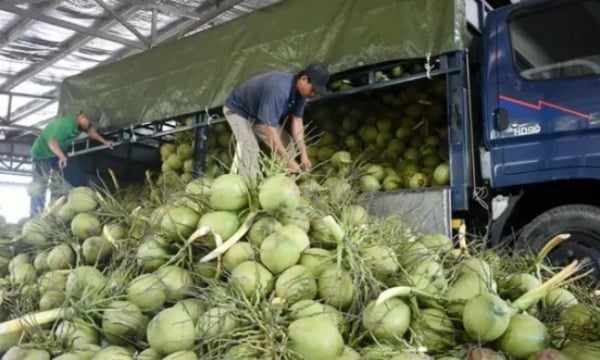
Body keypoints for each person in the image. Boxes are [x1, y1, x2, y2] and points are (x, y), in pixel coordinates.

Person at [222, 62, 330, 177]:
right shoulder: (280, 90)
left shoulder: (301, 94)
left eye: (316, 92)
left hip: (258, 114)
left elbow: (297, 121)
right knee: (250, 150)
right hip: (238, 111)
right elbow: (269, 129)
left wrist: (304, 155)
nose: (313, 94)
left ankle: (287, 183)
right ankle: (248, 187)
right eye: (313, 89)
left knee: (289, 146)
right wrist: (288, 161)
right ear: (303, 79)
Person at [29, 107, 113, 217]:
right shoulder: (65, 125)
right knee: (40, 186)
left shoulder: (82, 125)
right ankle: (36, 216)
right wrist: (61, 156)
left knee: (76, 177)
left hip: (57, 153)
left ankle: (84, 202)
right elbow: (51, 142)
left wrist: (105, 142)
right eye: (89, 123)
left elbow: (92, 132)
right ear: (82, 116)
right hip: (42, 154)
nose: (90, 126)